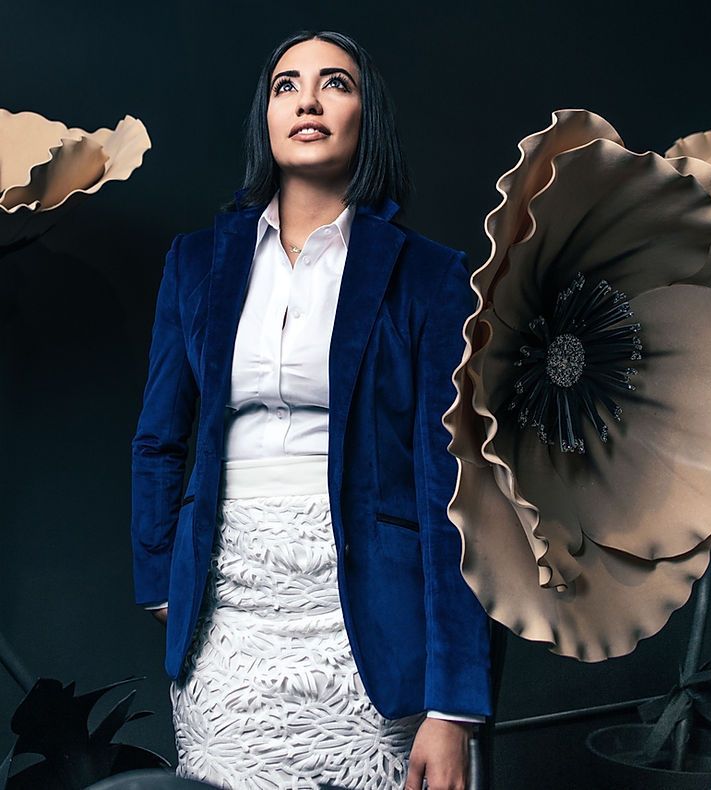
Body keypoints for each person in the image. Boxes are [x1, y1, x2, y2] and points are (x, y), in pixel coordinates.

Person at [130, 29, 492, 790]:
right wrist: (163, 579)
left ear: (368, 115)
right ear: (266, 116)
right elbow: (160, 437)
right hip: (226, 617)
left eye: (336, 83)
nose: (308, 100)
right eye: (286, 84)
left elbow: (453, 489)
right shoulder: (196, 263)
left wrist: (454, 708)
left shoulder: (429, 275)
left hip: (372, 619)